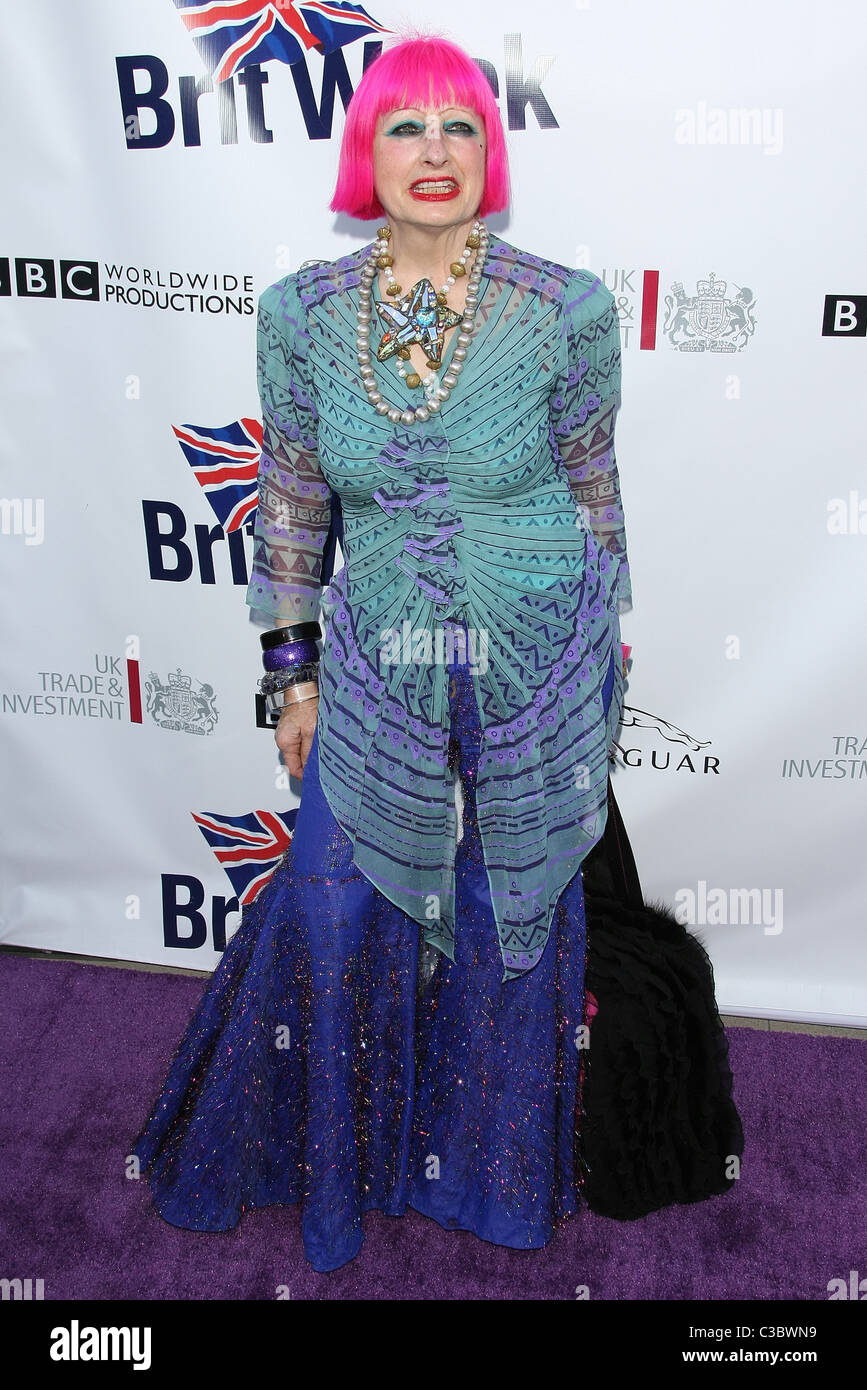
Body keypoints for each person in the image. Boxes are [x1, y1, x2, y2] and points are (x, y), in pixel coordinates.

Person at [130, 34, 743, 1274]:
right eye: (406, 128)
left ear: (490, 151)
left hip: (540, 641)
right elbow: (294, 499)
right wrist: (292, 676)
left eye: (459, 127)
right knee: (337, 895)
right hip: (382, 646)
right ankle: (337, 1169)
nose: (435, 154)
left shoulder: (563, 303)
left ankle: (491, 1175)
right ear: (369, 151)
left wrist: (607, 649)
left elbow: (592, 483)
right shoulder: (300, 312)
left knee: (516, 911)